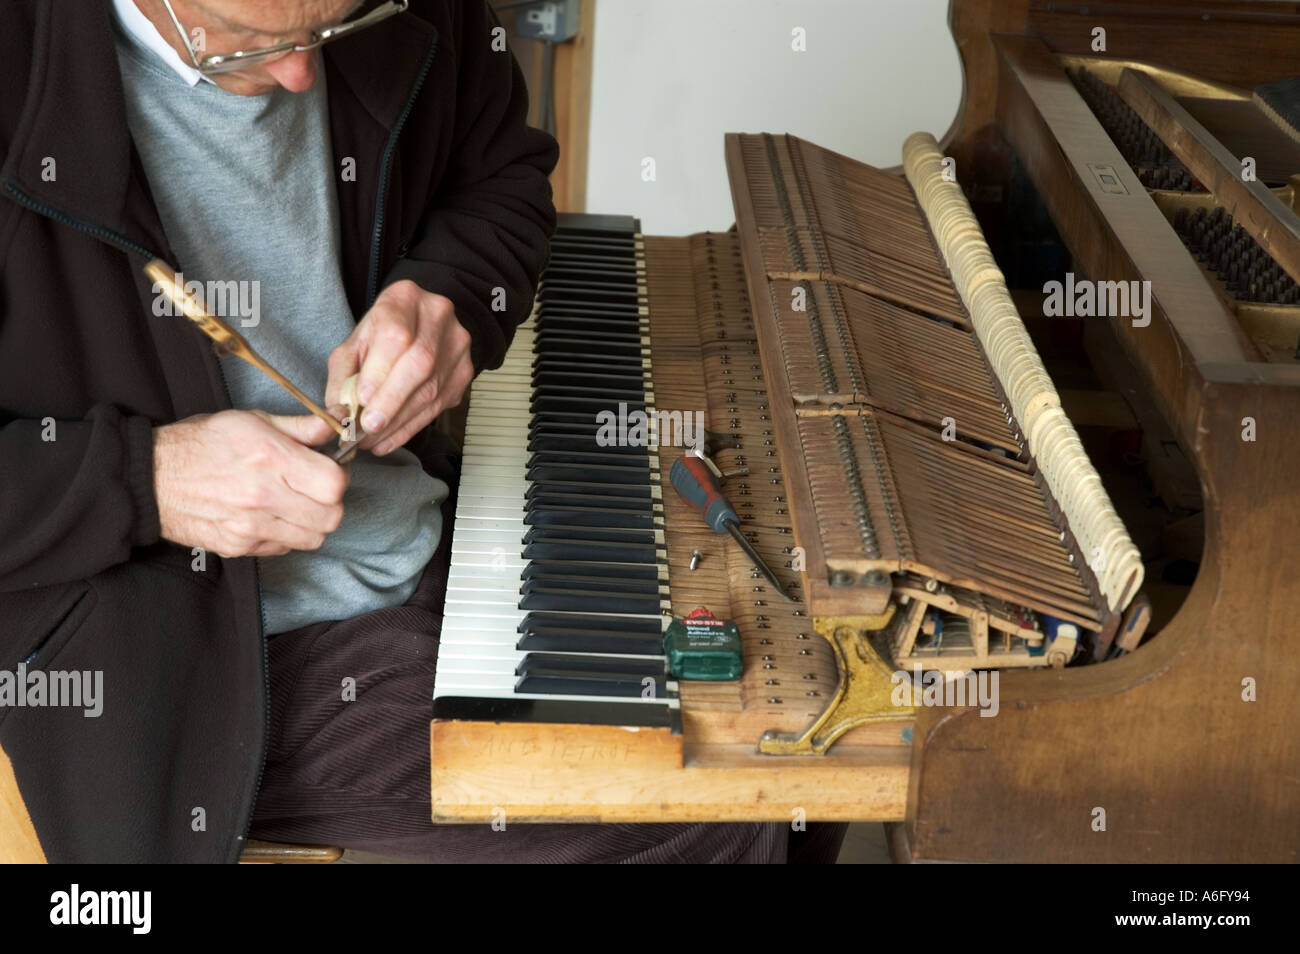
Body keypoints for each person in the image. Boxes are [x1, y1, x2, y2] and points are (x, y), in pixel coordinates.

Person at [0, 0, 845, 863]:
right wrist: (150, 481)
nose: (302, 76)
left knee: (813, 692)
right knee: (720, 796)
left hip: (433, 517)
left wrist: (450, 300)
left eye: (328, 29)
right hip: (194, 650)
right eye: (250, 45)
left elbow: (505, 177)